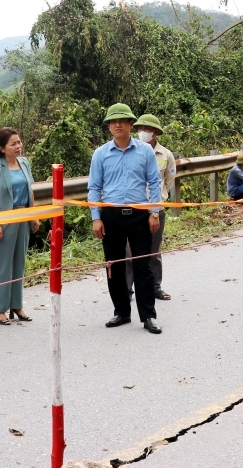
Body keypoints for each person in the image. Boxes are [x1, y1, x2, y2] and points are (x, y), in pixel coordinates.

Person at [88, 103, 163, 334]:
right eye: (113, 122)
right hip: (111, 215)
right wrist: (96, 218)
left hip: (140, 214)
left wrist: (153, 212)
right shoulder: (101, 154)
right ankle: (121, 312)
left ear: (131, 124)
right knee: (115, 266)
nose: (117, 125)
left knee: (143, 266)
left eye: (122, 121)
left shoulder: (145, 151)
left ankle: (148, 316)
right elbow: (94, 188)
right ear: (109, 127)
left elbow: (155, 182)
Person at [0, 127, 39, 325]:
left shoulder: (24, 163)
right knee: (3, 265)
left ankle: (17, 304)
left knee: (19, 263)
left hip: (23, 217)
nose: (18, 146)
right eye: (13, 144)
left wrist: (34, 215)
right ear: (2, 148)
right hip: (5, 220)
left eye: (19, 142)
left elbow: (29, 190)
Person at [125, 114, 176, 301]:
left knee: (154, 250)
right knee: (130, 252)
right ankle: (128, 290)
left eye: (146, 129)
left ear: (154, 132)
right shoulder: (132, 151)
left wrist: (158, 199)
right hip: (136, 207)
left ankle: (155, 287)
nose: (142, 133)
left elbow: (169, 180)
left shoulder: (166, 155)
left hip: (156, 209)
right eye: (139, 129)